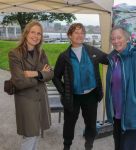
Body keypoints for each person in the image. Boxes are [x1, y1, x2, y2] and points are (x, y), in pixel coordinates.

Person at [53, 23, 108, 150]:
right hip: (73, 97)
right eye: (76, 32)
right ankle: (66, 146)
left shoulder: (92, 51)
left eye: (82, 32)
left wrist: (123, 53)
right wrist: (64, 91)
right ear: (70, 36)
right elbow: (56, 77)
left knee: (91, 125)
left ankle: (89, 146)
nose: (80, 35)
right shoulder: (64, 56)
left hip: (91, 96)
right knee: (69, 124)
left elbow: (108, 59)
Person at [8, 20, 53, 150]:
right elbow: (19, 81)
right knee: (29, 136)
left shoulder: (41, 53)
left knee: (37, 134)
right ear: (26, 33)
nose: (36, 36)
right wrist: (41, 75)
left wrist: (34, 73)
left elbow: (50, 74)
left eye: (39, 33)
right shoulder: (15, 54)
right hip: (26, 101)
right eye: (33, 32)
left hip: (41, 100)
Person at [105, 26, 136, 150]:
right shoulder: (113, 58)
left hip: (132, 115)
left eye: (119, 37)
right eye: (112, 38)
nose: (115, 41)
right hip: (117, 115)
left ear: (127, 38)